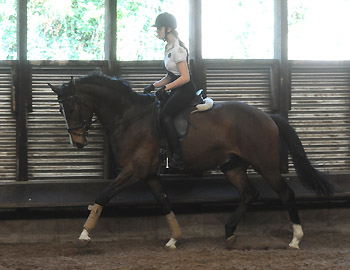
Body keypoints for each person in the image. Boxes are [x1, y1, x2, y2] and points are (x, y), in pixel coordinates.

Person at [144, 12, 196, 170]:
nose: (157, 31)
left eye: (158, 28)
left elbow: (185, 77)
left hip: (185, 90)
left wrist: (165, 88)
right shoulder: (169, 48)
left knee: (165, 116)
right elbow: (171, 75)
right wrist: (154, 85)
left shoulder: (178, 49)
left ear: (168, 29)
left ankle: (177, 158)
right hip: (176, 89)